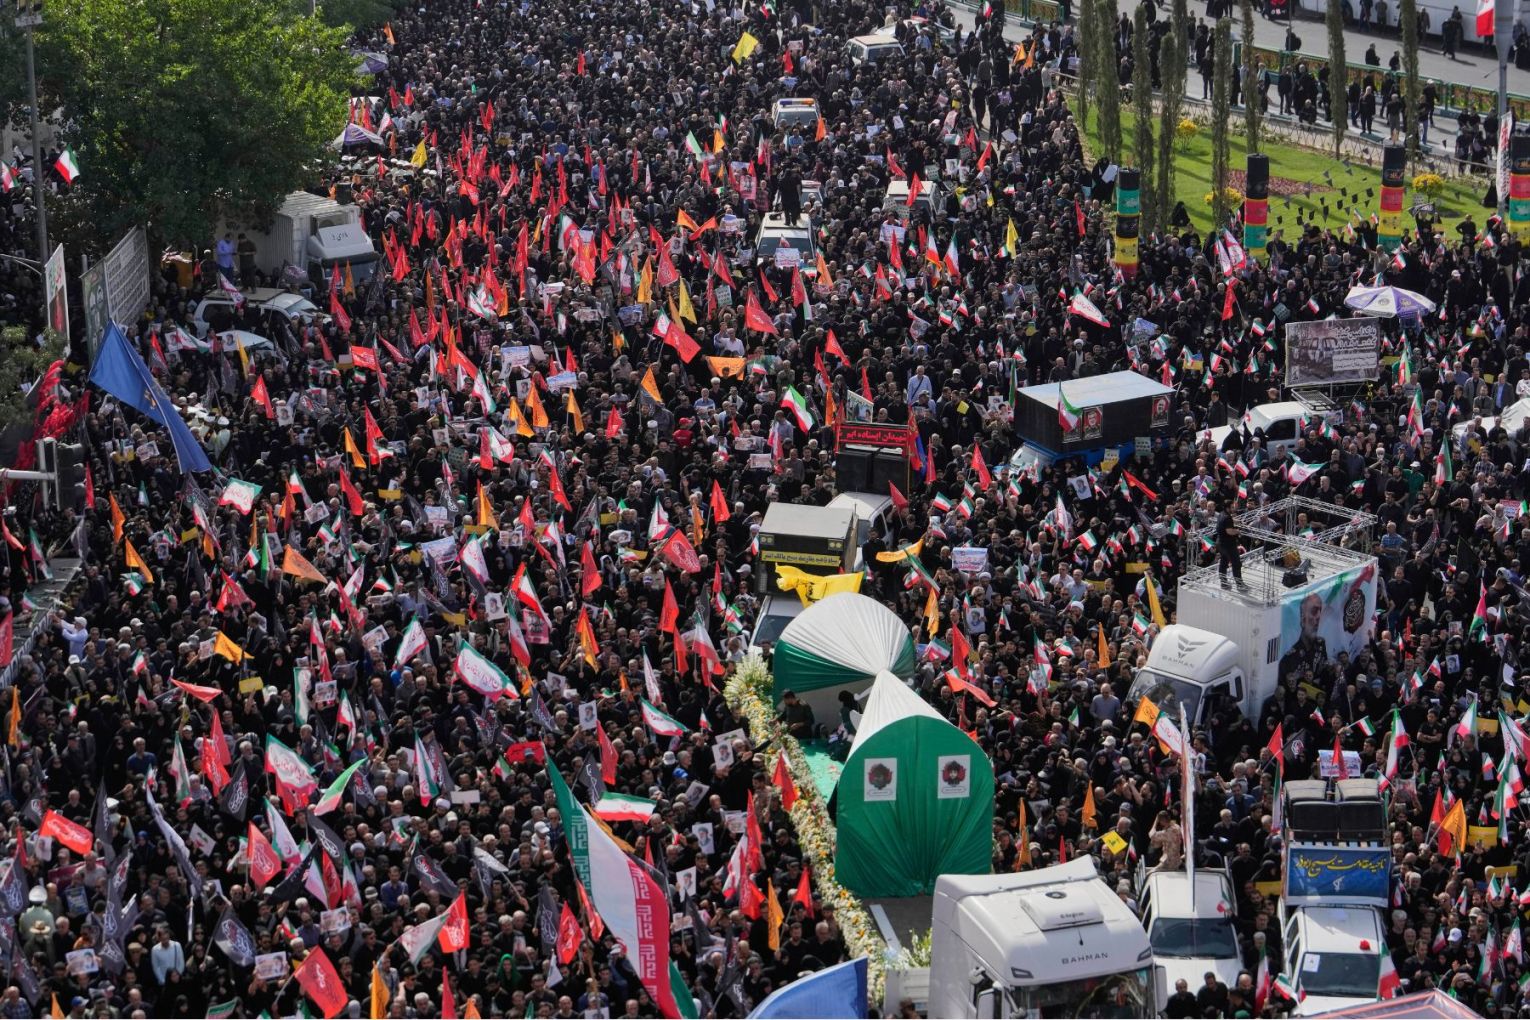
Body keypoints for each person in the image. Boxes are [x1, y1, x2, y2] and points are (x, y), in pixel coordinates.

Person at [1279, 592, 1329, 683]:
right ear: (1302, 619)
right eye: (1314, 611)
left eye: (1320, 611)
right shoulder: (1289, 659)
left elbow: (1323, 669)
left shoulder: (1321, 645)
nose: (1318, 616)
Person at [1213, 500, 1243, 588]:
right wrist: (1238, 531)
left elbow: (1228, 522)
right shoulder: (1227, 518)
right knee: (1236, 563)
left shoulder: (1221, 514)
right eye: (1232, 507)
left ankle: (1223, 582)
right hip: (1228, 545)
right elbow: (1229, 531)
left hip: (1220, 543)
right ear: (1227, 508)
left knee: (1223, 562)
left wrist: (1236, 522)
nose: (1233, 509)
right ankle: (1239, 584)